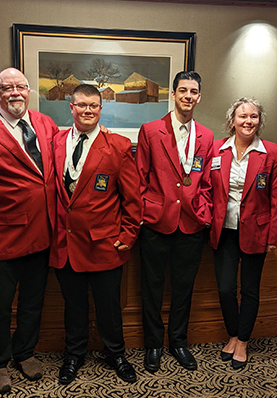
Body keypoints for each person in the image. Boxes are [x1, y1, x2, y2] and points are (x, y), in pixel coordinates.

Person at [49, 84, 141, 385]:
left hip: (105, 245)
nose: (87, 110)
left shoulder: (118, 145)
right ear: (71, 108)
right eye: (81, 105)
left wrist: (127, 236)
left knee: (109, 307)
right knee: (73, 307)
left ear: (101, 109)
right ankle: (73, 354)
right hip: (66, 244)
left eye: (94, 106)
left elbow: (132, 197)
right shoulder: (56, 142)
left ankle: (116, 354)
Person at [0, 68, 58, 393]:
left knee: (32, 301)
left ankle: (24, 352)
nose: (15, 93)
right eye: (7, 88)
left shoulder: (44, 123)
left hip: (42, 231)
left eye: (21, 87)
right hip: (2, 235)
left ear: (29, 91)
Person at [135, 71, 213, 373]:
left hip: (192, 223)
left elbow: (205, 180)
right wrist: (144, 211)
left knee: (184, 288)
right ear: (174, 94)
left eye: (194, 91)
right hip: (156, 221)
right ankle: (153, 344)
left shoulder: (206, 136)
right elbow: (139, 177)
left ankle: (178, 341)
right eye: (183, 91)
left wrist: (203, 209)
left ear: (199, 96)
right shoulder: (151, 130)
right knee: (151, 287)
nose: (188, 96)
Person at [210, 97, 277, 370]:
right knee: (226, 289)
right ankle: (232, 333)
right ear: (232, 120)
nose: (248, 121)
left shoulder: (271, 152)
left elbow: (275, 197)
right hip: (223, 230)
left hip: (256, 231)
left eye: (253, 116)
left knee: (250, 290)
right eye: (242, 116)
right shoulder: (217, 149)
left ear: (259, 121)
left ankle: (243, 341)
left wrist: (272, 236)